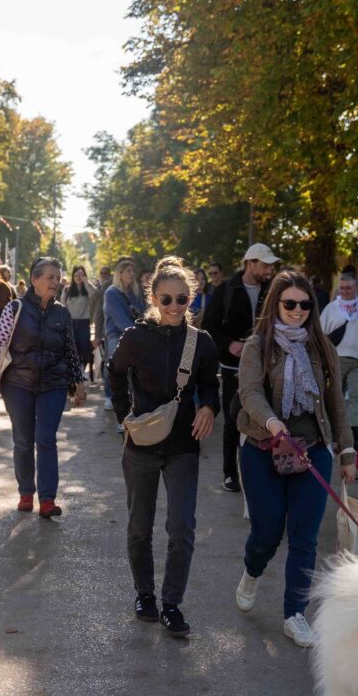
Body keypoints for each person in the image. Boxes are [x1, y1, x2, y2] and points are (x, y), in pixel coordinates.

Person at [232, 270, 357, 648]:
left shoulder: (321, 347)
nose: (298, 310)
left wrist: (347, 450)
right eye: (290, 303)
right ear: (276, 304)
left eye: (305, 304)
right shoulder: (258, 345)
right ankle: (252, 571)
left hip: (312, 449)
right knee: (267, 531)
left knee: (304, 537)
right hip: (262, 447)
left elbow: (336, 403)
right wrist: (273, 424)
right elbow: (249, 392)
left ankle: (295, 613)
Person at [109, 257, 220, 638]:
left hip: (183, 446)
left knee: (182, 527)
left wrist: (208, 405)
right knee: (140, 525)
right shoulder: (135, 337)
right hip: (140, 444)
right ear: (154, 299)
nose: (174, 306)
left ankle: (172, 603)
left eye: (182, 299)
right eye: (167, 299)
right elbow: (115, 372)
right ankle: (145, 594)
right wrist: (123, 415)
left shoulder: (200, 342)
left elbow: (210, 382)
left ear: (192, 299)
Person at [0, 257, 87, 518]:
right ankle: (26, 492)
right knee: (23, 440)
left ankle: (47, 500)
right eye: (50, 277)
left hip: (54, 384)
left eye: (58, 277)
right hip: (18, 384)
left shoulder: (62, 312)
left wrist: (79, 383)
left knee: (46, 439)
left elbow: (71, 352)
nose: (56, 281)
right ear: (34, 279)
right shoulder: (14, 309)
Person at [201, 242, 279, 492]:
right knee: (234, 418)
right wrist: (230, 343)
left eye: (270, 265)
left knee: (265, 417)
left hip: (265, 365)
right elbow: (210, 325)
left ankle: (263, 471)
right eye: (264, 264)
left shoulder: (272, 289)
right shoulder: (226, 290)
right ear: (250, 263)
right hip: (233, 365)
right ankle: (230, 473)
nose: (268, 269)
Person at [319, 272, 358, 441]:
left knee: (357, 395)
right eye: (342, 288)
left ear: (356, 287)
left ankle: (354, 430)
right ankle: (334, 428)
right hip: (337, 359)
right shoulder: (331, 309)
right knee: (336, 395)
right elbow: (320, 333)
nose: (345, 291)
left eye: (348, 288)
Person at [102, 259, 141, 414]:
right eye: (129, 271)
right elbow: (119, 319)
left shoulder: (135, 293)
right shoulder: (111, 292)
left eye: (133, 271)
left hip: (134, 333)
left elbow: (142, 313)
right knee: (113, 365)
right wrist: (135, 333)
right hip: (116, 334)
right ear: (120, 274)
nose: (132, 274)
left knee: (133, 368)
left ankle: (130, 396)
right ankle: (109, 395)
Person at [62, 265, 97, 380]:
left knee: (84, 347)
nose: (78, 277)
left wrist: (85, 281)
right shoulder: (67, 289)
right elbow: (63, 305)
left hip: (84, 322)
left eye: (81, 275)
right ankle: (74, 371)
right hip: (71, 322)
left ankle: (81, 370)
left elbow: (94, 294)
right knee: (73, 348)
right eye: (76, 275)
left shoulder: (87, 289)